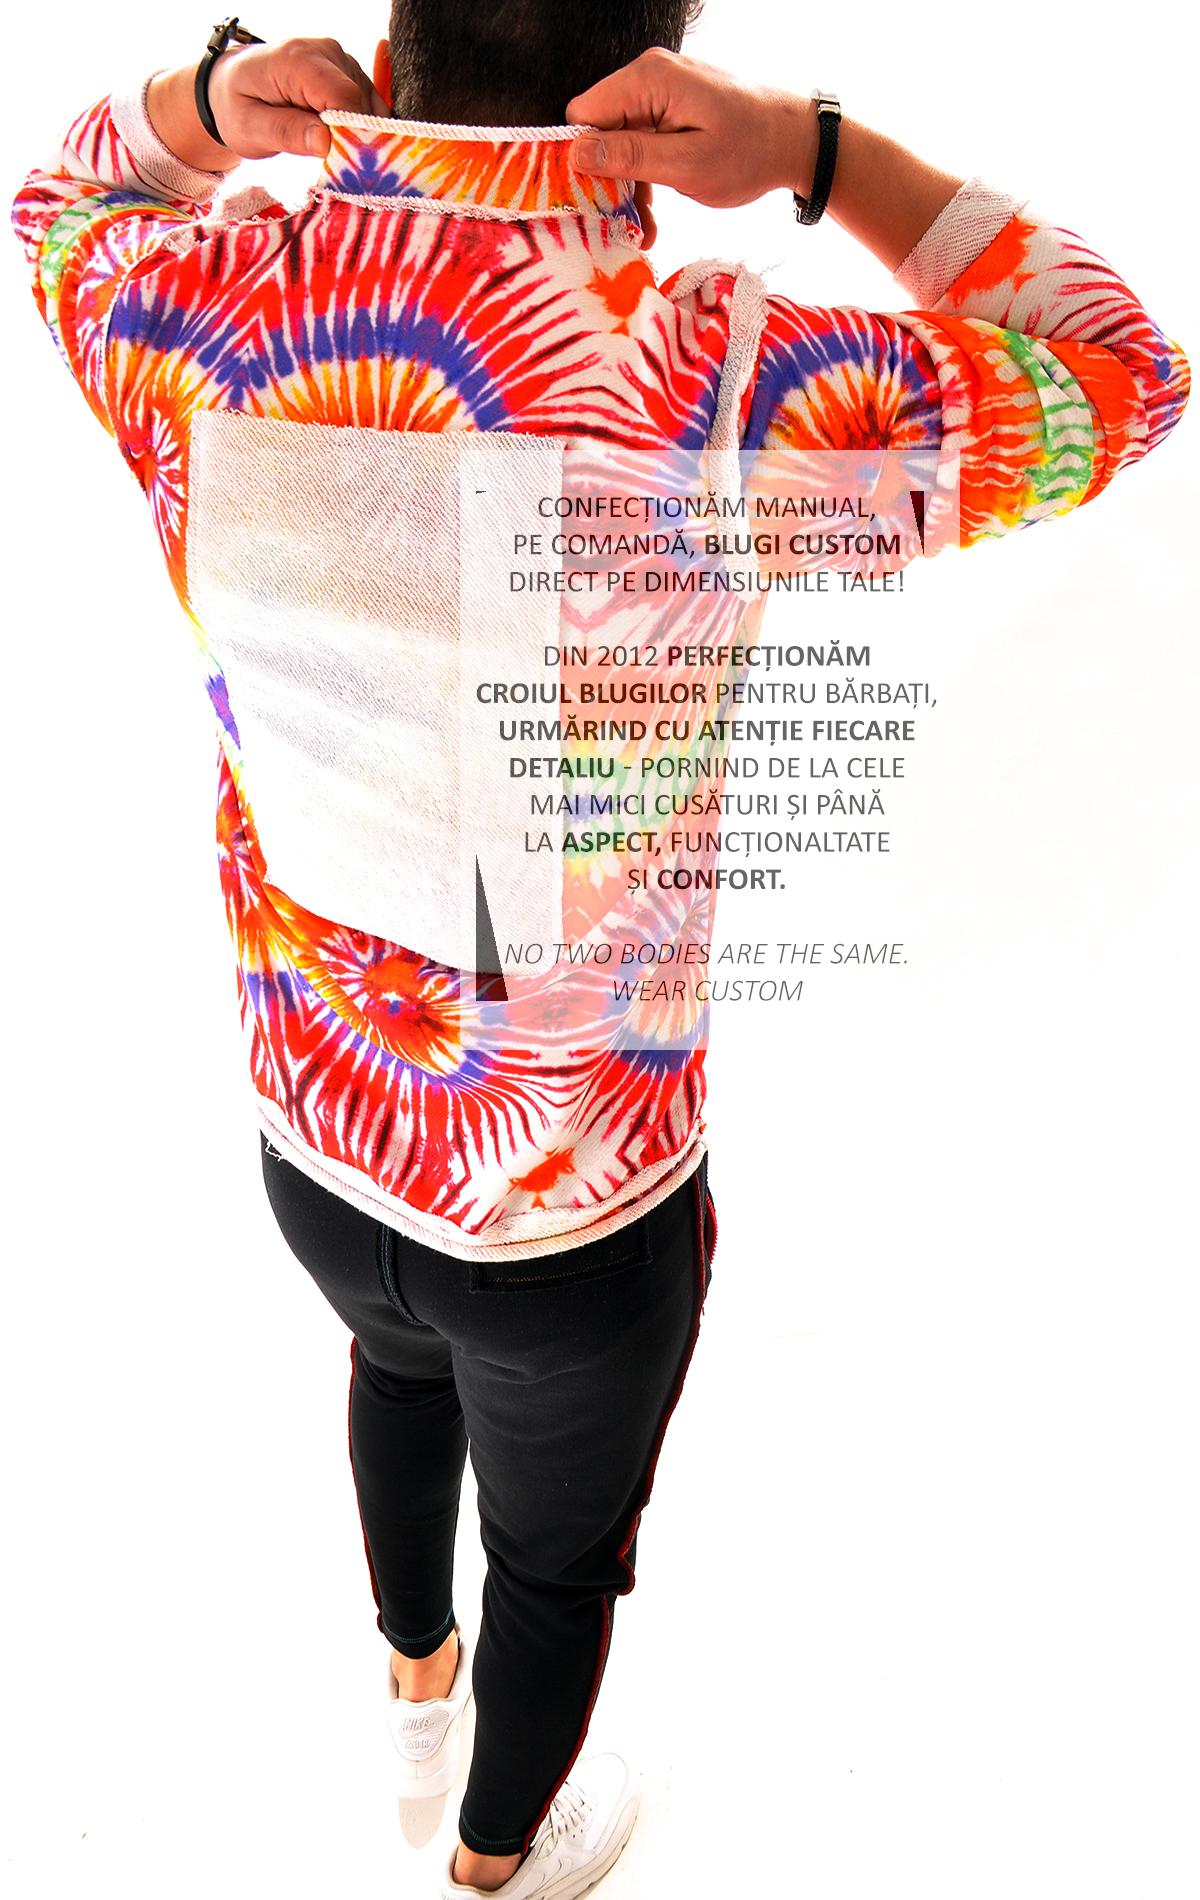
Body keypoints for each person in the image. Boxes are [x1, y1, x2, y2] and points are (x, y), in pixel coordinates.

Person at [11, 6, 1188, 1897]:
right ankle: (500, 1859)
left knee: (395, 1374)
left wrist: (208, 103)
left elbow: (59, 195)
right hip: (571, 1211)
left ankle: (415, 1689)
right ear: (660, 58)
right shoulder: (717, 380)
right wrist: (814, 154)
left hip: (317, 1137)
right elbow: (1120, 371)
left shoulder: (202, 306)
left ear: (392, 29)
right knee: (559, 1557)